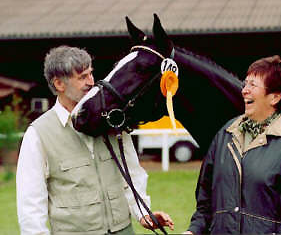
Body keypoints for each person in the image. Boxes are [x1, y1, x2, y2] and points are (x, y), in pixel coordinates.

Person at [16, 45, 174, 234]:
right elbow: (31, 204)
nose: (91, 82)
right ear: (59, 84)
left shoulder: (112, 120)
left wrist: (143, 213)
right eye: (82, 77)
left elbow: (132, 173)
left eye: (91, 74)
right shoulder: (38, 134)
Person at [185, 55, 281, 234]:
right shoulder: (224, 135)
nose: (244, 90)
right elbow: (206, 202)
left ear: (274, 98)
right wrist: (194, 230)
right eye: (246, 83)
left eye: (253, 85)